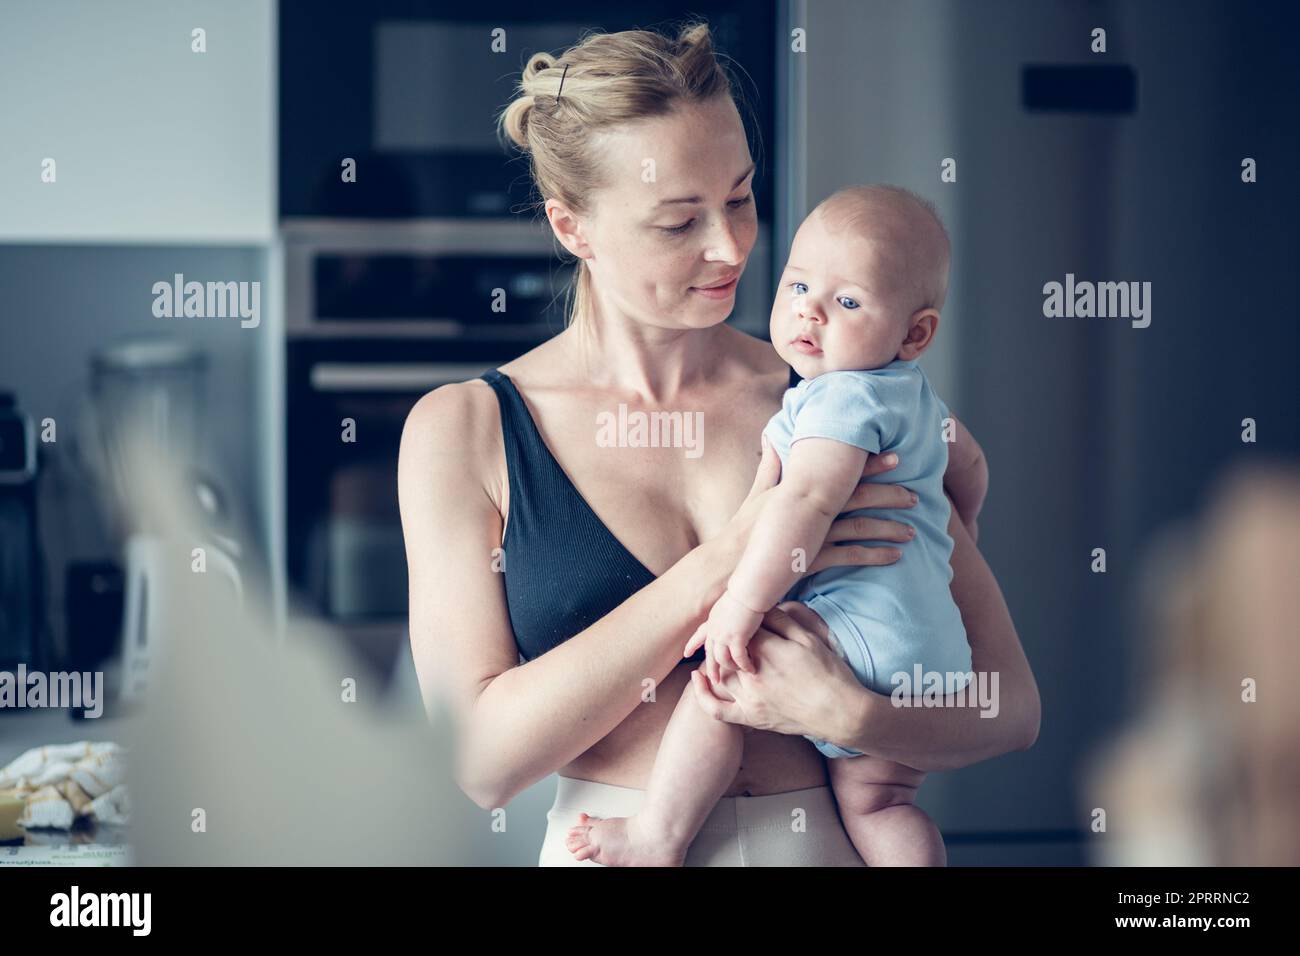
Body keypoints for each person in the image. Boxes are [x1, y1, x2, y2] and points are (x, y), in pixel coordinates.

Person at [397, 21, 1039, 867]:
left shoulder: (833, 397)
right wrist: (730, 559)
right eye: (678, 222)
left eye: (739, 198)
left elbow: (1010, 708)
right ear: (572, 227)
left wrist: (857, 717)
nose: (731, 246)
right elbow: (481, 765)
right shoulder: (468, 430)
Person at [566, 184, 977, 866]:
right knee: (882, 805)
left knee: (716, 688)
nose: (810, 311)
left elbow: (803, 503)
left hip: (857, 641)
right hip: (929, 651)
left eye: (848, 302)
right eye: (799, 286)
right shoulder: (919, 398)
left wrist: (740, 605)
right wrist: (965, 530)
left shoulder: (839, 399)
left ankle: (656, 836)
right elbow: (973, 467)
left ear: (916, 333)